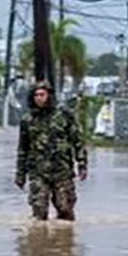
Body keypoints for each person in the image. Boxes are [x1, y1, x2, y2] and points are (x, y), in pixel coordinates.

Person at [15, 82, 87, 221]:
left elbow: (77, 140)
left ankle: (65, 240)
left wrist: (82, 163)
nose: (39, 98)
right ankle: (39, 240)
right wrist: (20, 175)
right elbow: (23, 148)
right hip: (38, 171)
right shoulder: (28, 119)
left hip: (62, 170)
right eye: (36, 95)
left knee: (65, 209)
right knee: (39, 212)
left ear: (49, 96)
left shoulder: (64, 115)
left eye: (42, 94)